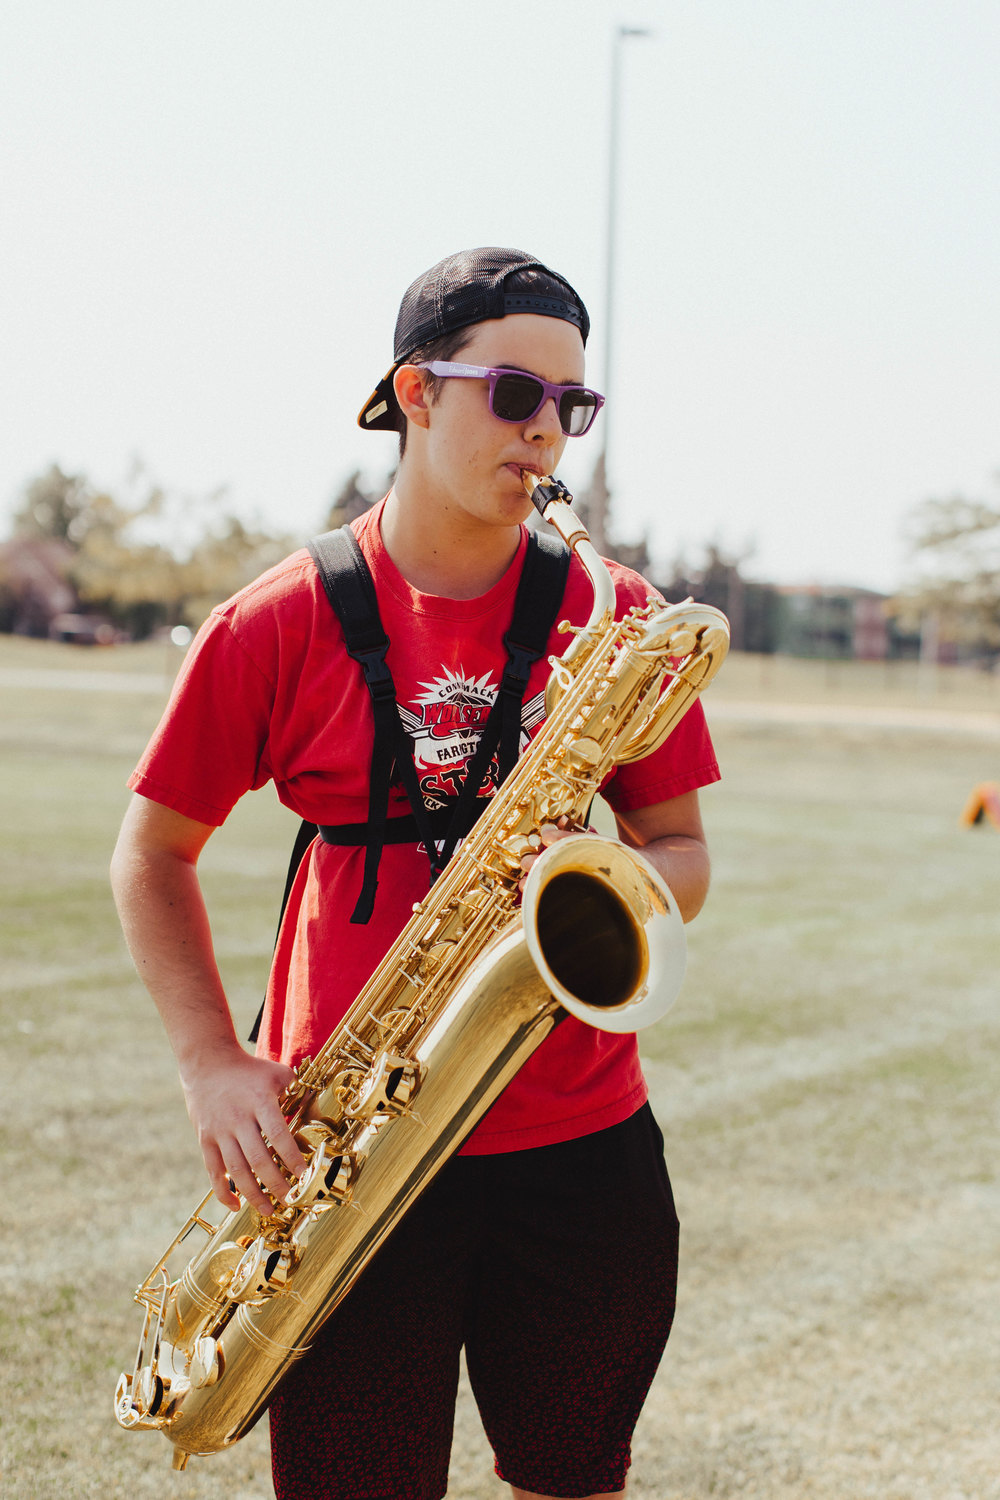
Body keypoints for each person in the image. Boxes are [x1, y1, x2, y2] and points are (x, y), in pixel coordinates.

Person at [111, 247, 720, 1500]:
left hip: (581, 1140)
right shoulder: (273, 620)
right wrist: (213, 1062)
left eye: (572, 406)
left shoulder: (613, 614)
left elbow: (682, 853)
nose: (548, 431)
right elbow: (153, 852)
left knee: (572, 1479)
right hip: (348, 1151)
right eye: (514, 393)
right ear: (417, 392)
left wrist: (614, 872)